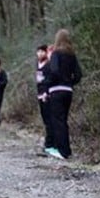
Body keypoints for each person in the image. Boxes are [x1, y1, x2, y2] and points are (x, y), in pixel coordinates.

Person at [43, 29, 82, 159]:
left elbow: (53, 71)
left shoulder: (56, 54)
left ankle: (62, 151)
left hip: (56, 91)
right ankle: (67, 150)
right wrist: (69, 82)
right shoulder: (72, 55)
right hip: (68, 91)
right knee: (63, 120)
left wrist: (49, 84)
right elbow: (78, 75)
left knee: (57, 120)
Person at [36, 44, 53, 152]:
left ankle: (49, 143)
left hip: (47, 94)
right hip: (39, 93)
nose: (40, 53)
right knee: (45, 119)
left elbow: (50, 80)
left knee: (49, 119)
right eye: (38, 51)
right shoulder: (37, 64)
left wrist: (46, 92)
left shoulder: (49, 65)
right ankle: (48, 141)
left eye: (42, 51)